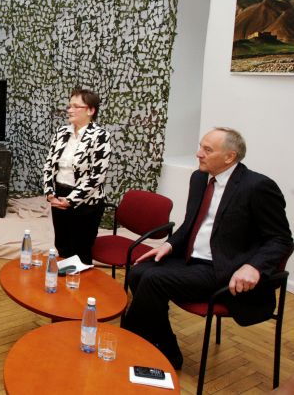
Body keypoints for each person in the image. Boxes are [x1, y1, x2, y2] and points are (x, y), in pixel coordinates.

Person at [123, 127, 293, 370]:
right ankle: (166, 347)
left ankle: (131, 343)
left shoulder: (257, 186)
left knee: (152, 280)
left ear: (230, 157)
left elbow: (281, 239)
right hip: (190, 259)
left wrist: (254, 267)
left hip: (223, 268)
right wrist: (169, 245)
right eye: (200, 147)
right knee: (137, 272)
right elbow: (191, 223)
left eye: (207, 150)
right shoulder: (200, 178)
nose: (198, 153)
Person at [42, 88, 111, 264]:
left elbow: (97, 176)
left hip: (86, 201)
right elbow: (49, 165)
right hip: (59, 196)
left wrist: (71, 200)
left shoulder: (100, 136)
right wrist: (50, 193)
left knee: (80, 252)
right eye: (69, 106)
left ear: (91, 110)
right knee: (62, 246)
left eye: (75, 106)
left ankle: (80, 282)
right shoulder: (62, 132)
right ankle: (62, 280)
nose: (70, 110)